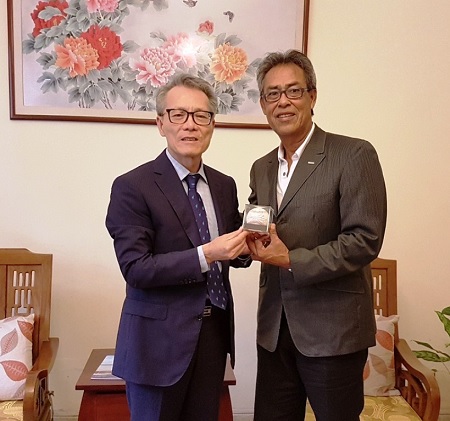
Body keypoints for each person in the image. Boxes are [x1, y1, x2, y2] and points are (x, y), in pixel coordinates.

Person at [246, 49, 387, 421]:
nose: (283, 102)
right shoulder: (261, 167)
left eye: (293, 91)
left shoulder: (353, 154)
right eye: (272, 94)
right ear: (263, 105)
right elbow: (259, 224)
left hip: (332, 332)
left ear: (312, 96)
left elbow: (365, 240)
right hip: (274, 329)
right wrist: (242, 244)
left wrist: (290, 259)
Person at [106, 73, 250, 421]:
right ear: (161, 123)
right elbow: (136, 269)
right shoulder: (133, 186)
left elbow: (231, 250)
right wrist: (207, 254)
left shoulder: (224, 184)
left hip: (213, 334)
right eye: (178, 114)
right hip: (156, 344)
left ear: (212, 125)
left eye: (201, 115)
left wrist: (250, 246)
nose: (190, 124)